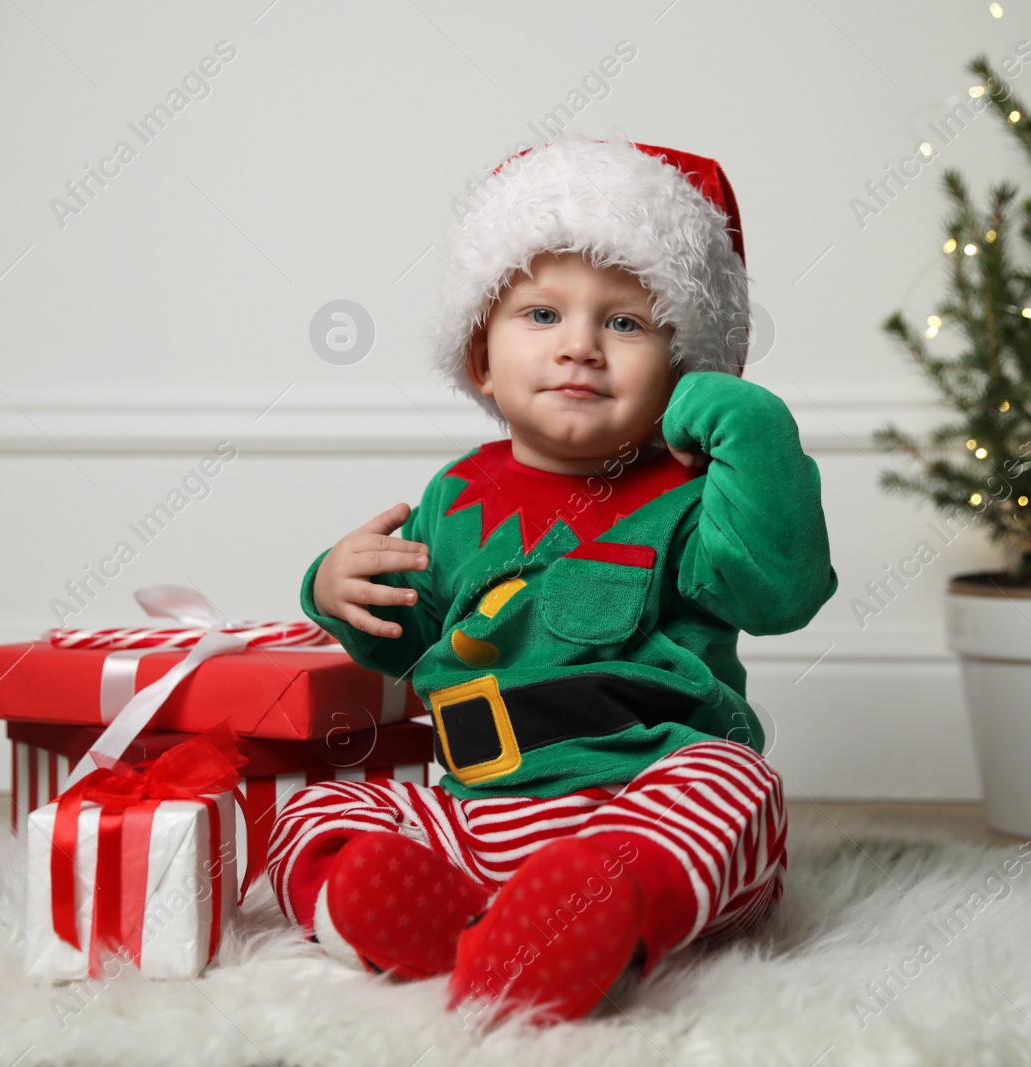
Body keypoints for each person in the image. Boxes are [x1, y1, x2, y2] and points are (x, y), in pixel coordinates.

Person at [273, 133, 838, 1025]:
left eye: (625, 322)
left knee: (739, 786)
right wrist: (333, 587)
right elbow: (408, 634)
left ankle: (608, 914)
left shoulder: (692, 497)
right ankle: (404, 914)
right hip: (482, 807)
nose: (580, 346)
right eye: (542, 315)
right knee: (321, 810)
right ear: (480, 362)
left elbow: (780, 589)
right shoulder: (456, 495)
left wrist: (746, 419)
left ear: (684, 366)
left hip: (647, 797)